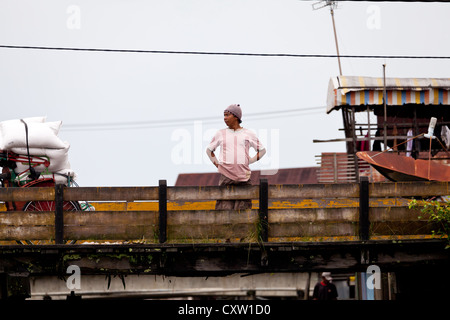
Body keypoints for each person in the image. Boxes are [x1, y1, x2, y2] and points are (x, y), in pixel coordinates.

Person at [206, 104, 266, 210]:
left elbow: (262, 150)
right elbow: (209, 150)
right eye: (224, 115)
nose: (225, 118)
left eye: (227, 115)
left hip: (244, 177)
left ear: (236, 117)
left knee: (244, 211)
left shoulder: (248, 133)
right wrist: (218, 165)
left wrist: (250, 161)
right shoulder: (220, 133)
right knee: (223, 210)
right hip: (226, 177)